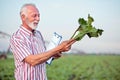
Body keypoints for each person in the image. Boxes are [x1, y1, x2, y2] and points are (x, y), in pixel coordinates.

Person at [10, 3, 76, 80]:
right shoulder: (17, 37)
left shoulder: (38, 34)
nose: (38, 19)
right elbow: (32, 60)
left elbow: (43, 57)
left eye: (39, 15)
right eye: (34, 15)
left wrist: (55, 54)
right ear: (23, 17)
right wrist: (58, 48)